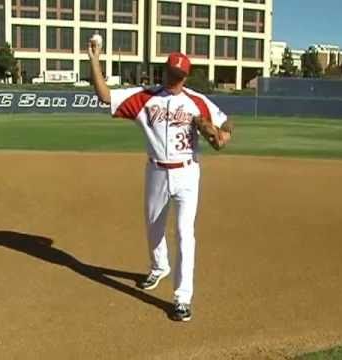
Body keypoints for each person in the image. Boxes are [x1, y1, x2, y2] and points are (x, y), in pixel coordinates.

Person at [87, 38, 234, 321]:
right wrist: (95, 59)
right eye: (169, 72)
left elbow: (225, 122)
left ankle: (182, 298)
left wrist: (222, 134)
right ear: (163, 70)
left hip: (188, 172)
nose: (172, 78)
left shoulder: (196, 101)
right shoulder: (144, 98)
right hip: (156, 171)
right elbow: (105, 96)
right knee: (154, 227)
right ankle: (159, 267)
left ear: (184, 77)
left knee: (184, 234)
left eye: (177, 76)